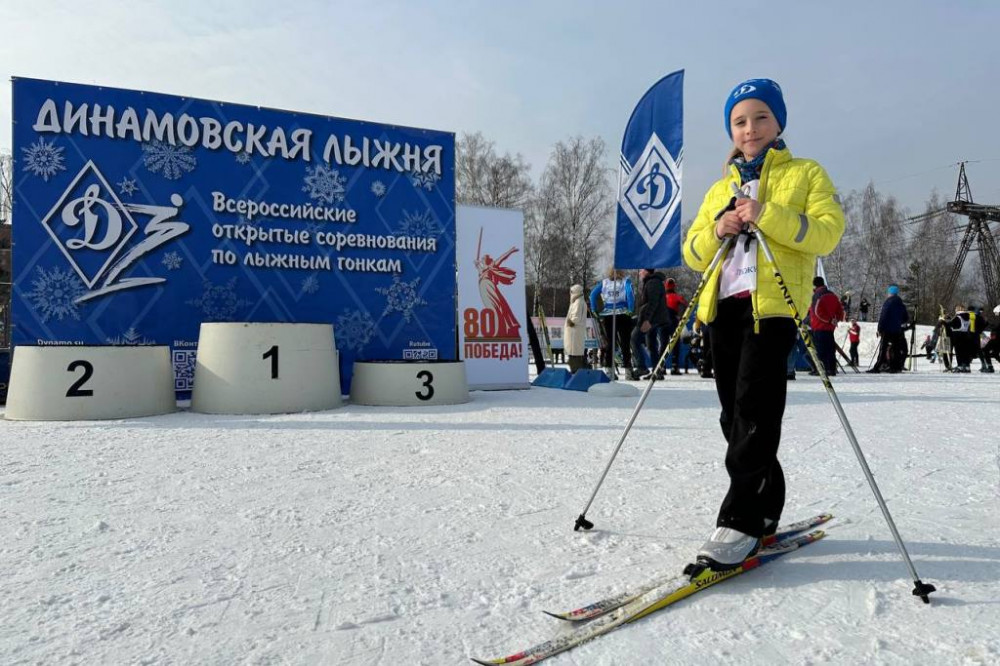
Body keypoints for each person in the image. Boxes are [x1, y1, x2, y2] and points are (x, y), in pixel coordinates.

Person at [682, 78, 845, 570]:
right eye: (739, 121)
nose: (749, 129)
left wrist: (766, 214)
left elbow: (827, 233)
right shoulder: (720, 188)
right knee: (733, 418)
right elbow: (692, 253)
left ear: (778, 123)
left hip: (772, 307)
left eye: (760, 118)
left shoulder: (805, 173)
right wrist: (719, 228)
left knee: (755, 409)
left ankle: (741, 521)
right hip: (724, 309)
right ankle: (767, 503)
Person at [589, 269, 635, 377]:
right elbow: (630, 294)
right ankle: (628, 371)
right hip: (623, 313)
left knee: (610, 343)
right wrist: (631, 308)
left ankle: (609, 371)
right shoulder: (626, 281)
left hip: (608, 314)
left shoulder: (604, 282)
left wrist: (594, 308)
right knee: (625, 343)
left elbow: (592, 295)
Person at [634, 268, 670, 380]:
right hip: (654, 318)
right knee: (651, 344)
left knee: (634, 338)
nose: (640, 273)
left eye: (641, 270)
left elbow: (652, 302)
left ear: (647, 271)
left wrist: (647, 320)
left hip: (651, 319)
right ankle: (657, 371)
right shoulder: (653, 282)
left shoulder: (653, 282)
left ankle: (641, 367)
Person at [807, 276, 844, 376]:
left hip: (819, 326)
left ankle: (822, 370)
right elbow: (840, 309)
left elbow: (817, 311)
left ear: (815, 285)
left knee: (820, 349)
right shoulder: (832, 295)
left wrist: (828, 320)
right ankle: (831, 369)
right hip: (830, 327)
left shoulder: (817, 295)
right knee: (830, 349)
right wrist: (836, 320)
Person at [871, 284, 908, 373]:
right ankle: (895, 367)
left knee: (883, 348)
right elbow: (905, 318)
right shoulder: (901, 304)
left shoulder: (888, 302)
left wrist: (880, 328)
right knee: (896, 348)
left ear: (890, 293)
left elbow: (883, 316)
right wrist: (898, 322)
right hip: (897, 330)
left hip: (887, 329)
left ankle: (878, 367)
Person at [664, 277, 688, 375]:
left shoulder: (662, 297)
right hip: (673, 321)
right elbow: (686, 305)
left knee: (663, 344)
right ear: (674, 286)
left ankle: (661, 367)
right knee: (675, 344)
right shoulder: (677, 296)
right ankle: (674, 367)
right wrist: (681, 316)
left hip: (663, 322)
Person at [564, 284, 588, 373]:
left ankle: (575, 370)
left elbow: (576, 317)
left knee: (574, 352)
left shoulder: (578, 302)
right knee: (574, 351)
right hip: (575, 331)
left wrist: (570, 322)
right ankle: (575, 369)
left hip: (574, 331)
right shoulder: (579, 301)